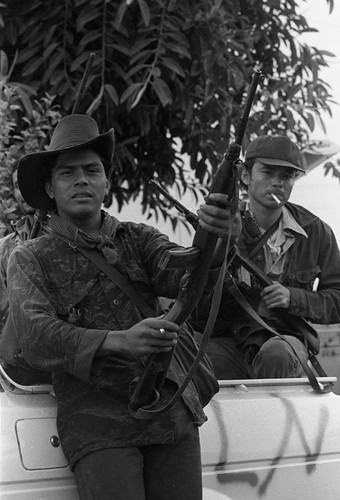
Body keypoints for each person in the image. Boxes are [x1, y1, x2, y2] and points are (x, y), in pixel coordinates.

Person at [6, 114, 232, 500]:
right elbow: (35, 337)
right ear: (49, 186)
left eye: (92, 170)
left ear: (106, 182)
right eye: (68, 173)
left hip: (170, 413)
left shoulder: (139, 239)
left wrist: (220, 240)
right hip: (97, 425)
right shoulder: (30, 257)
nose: (82, 180)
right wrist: (118, 341)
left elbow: (190, 281)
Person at [191, 134, 340, 380]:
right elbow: (194, 299)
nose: (277, 183)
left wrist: (293, 297)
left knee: (277, 354)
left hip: (285, 339)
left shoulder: (316, 231)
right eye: (268, 173)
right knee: (186, 355)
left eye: (286, 176)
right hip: (231, 338)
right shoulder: (222, 226)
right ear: (245, 176)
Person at [0, 164, 50, 333]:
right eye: (17, 186)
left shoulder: (69, 236)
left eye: (30, 182)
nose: (24, 191)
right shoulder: (5, 247)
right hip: (17, 352)